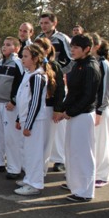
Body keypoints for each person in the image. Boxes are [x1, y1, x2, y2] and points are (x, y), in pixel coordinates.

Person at [57, 34, 101, 202]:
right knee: (73, 152)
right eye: (72, 47)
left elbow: (88, 96)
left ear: (87, 49)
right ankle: (75, 185)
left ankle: (85, 191)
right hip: (75, 116)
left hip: (83, 116)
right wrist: (61, 109)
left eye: (76, 47)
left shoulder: (90, 67)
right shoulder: (77, 65)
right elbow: (72, 93)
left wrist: (70, 112)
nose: (72, 50)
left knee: (83, 154)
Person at [13, 44, 53, 196]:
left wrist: (28, 125)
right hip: (25, 119)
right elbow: (22, 98)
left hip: (35, 122)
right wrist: (19, 118)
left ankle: (35, 183)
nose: (22, 59)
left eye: (25, 56)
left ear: (35, 59)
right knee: (27, 152)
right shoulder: (28, 74)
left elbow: (35, 102)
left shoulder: (37, 76)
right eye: (22, 56)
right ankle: (29, 178)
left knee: (34, 153)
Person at [36, 12, 71, 172]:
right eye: (42, 23)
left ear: (54, 23)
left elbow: (71, 59)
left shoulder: (62, 39)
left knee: (58, 124)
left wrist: (57, 72)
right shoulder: (38, 38)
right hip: (43, 83)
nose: (44, 26)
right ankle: (43, 158)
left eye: (46, 23)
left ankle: (60, 159)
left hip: (58, 82)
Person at [0, 37, 24, 176]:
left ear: (17, 48)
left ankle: (14, 168)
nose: (4, 47)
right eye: (4, 44)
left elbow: (21, 85)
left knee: (11, 138)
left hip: (10, 106)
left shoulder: (18, 64)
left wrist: (13, 101)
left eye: (9, 45)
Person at [33, 38, 66, 175]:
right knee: (35, 141)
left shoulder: (54, 66)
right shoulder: (32, 65)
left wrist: (57, 109)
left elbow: (60, 89)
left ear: (47, 50)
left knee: (46, 142)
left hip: (48, 108)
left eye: (40, 48)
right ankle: (33, 170)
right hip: (35, 108)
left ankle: (41, 171)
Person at [92, 35, 109, 188]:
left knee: (101, 142)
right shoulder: (91, 62)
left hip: (101, 109)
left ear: (96, 46)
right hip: (91, 108)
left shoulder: (104, 64)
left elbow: (105, 90)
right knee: (92, 142)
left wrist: (99, 110)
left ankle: (102, 175)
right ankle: (91, 173)